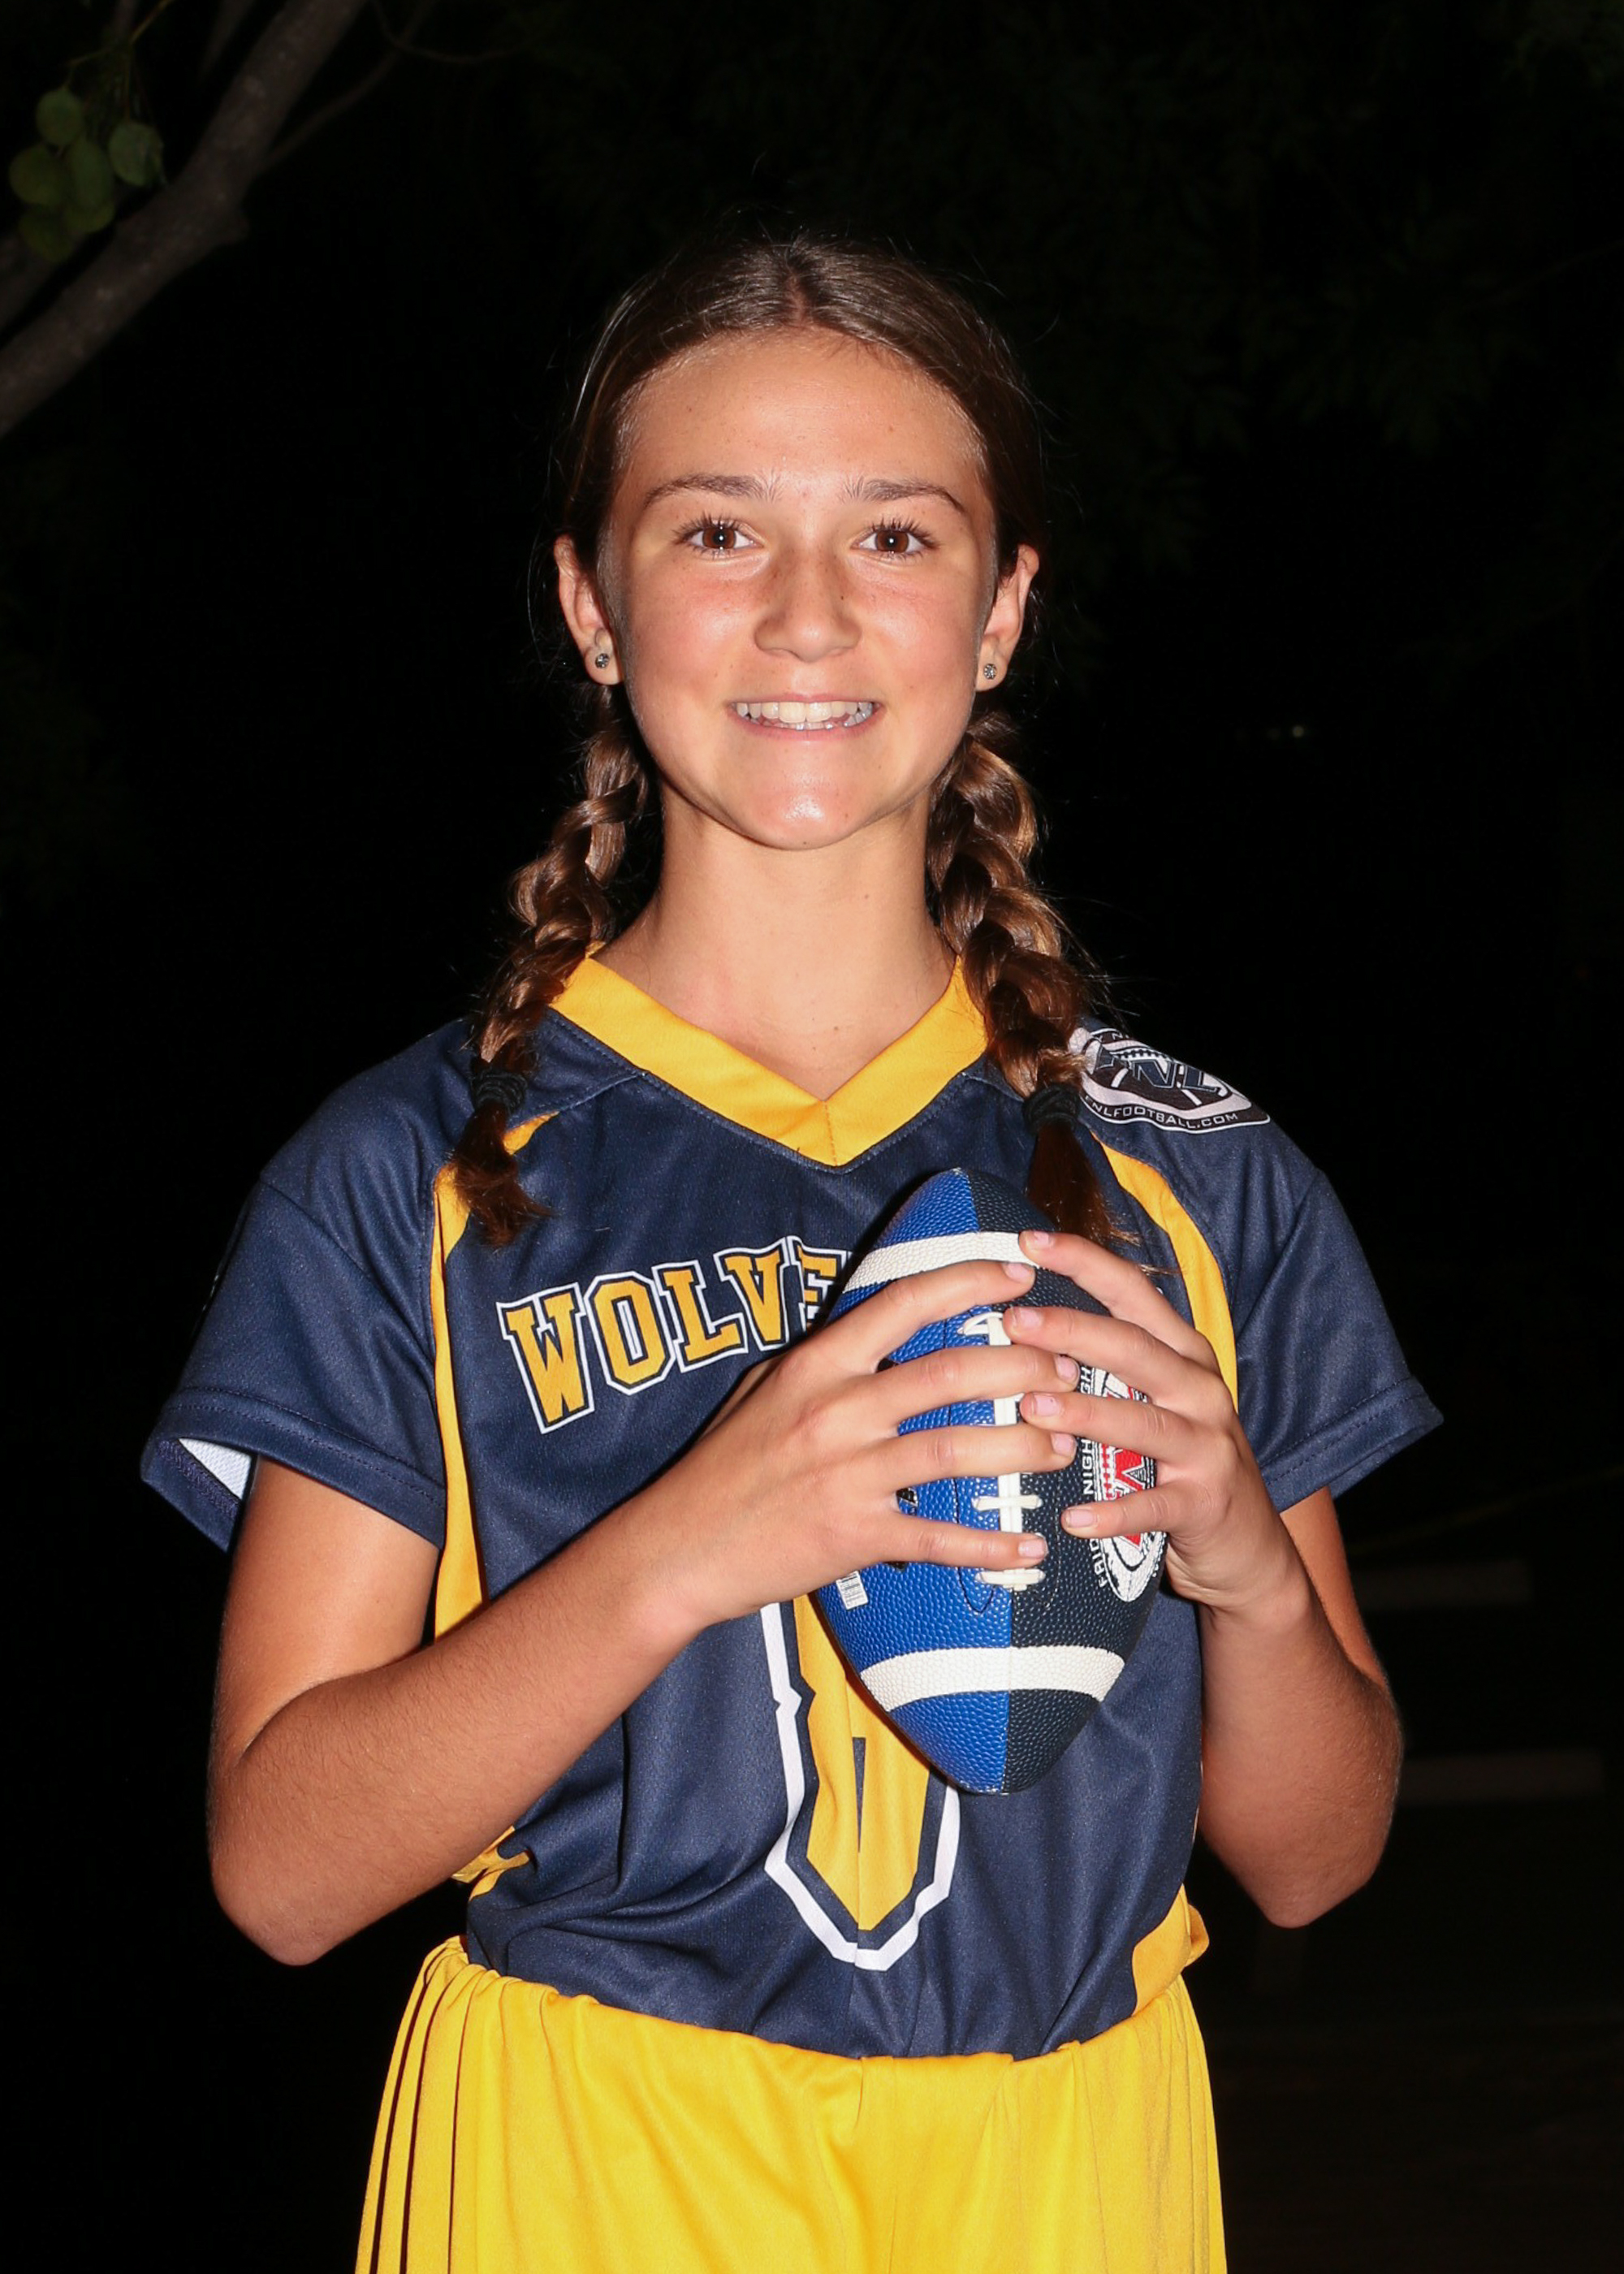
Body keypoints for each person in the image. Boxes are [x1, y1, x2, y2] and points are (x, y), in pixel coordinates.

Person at [144, 228, 1438, 2273]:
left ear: (1002, 610)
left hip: (1066, 2158)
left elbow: (1317, 1859)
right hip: (592, 2156)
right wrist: (694, 1535)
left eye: (896, 535)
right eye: (718, 530)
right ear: (592, 603)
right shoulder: (413, 1166)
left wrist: (1247, 1572)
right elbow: (283, 1871)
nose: (809, 611)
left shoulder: (1193, 1174)